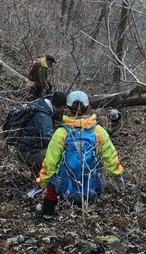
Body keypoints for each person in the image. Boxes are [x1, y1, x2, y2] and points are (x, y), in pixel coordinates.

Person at [30, 90, 124, 220]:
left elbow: (49, 163)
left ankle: (47, 214)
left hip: (65, 189)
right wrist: (118, 174)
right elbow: (111, 157)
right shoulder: (98, 131)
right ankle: (90, 217)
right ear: (88, 109)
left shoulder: (61, 133)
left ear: (67, 109)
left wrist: (41, 183)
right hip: (93, 190)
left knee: (52, 178)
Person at [14, 91, 67, 176]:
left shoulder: (42, 104)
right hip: (27, 152)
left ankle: (36, 175)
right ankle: (45, 180)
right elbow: (49, 141)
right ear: (62, 107)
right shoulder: (44, 117)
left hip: (24, 148)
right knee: (56, 154)